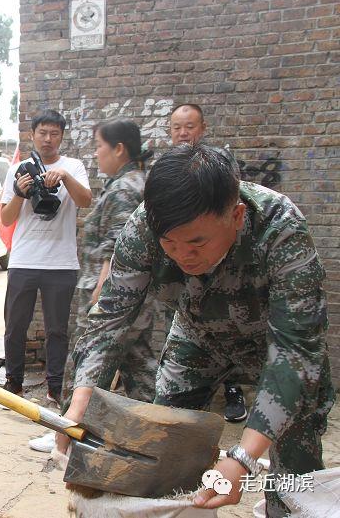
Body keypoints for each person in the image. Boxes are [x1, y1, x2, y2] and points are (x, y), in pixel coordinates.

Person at [57, 144, 334, 517]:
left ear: (235, 216)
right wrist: (80, 400)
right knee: (164, 455)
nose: (182, 255)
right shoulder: (143, 228)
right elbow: (110, 318)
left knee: (294, 482)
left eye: (196, 242)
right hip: (197, 340)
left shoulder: (281, 229)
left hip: (279, 350)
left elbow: (295, 354)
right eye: (169, 244)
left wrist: (242, 459)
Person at [30, 118, 157, 454]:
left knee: (84, 360)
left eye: (100, 146)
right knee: (140, 364)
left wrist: (101, 299)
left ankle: (67, 430)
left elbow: (118, 250)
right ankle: (161, 423)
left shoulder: (124, 189)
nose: (97, 154)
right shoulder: (132, 182)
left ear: (119, 149)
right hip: (131, 301)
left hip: (112, 301)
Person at [0, 109, 92, 404]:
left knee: (57, 330)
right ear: (32, 135)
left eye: (54, 133)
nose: (48, 139)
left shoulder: (73, 166)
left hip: (61, 263)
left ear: (61, 137)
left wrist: (64, 177)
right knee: (15, 327)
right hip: (23, 260)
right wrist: (19, 193)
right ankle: (14, 383)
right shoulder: (19, 168)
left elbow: (86, 200)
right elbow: (5, 218)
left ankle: (55, 387)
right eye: (43, 133)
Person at [170, 103, 248, 423]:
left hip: (222, 265)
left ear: (202, 129)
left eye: (189, 126)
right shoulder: (165, 170)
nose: (183, 133)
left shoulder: (220, 166)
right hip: (184, 270)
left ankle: (233, 390)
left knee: (224, 327)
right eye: (176, 127)